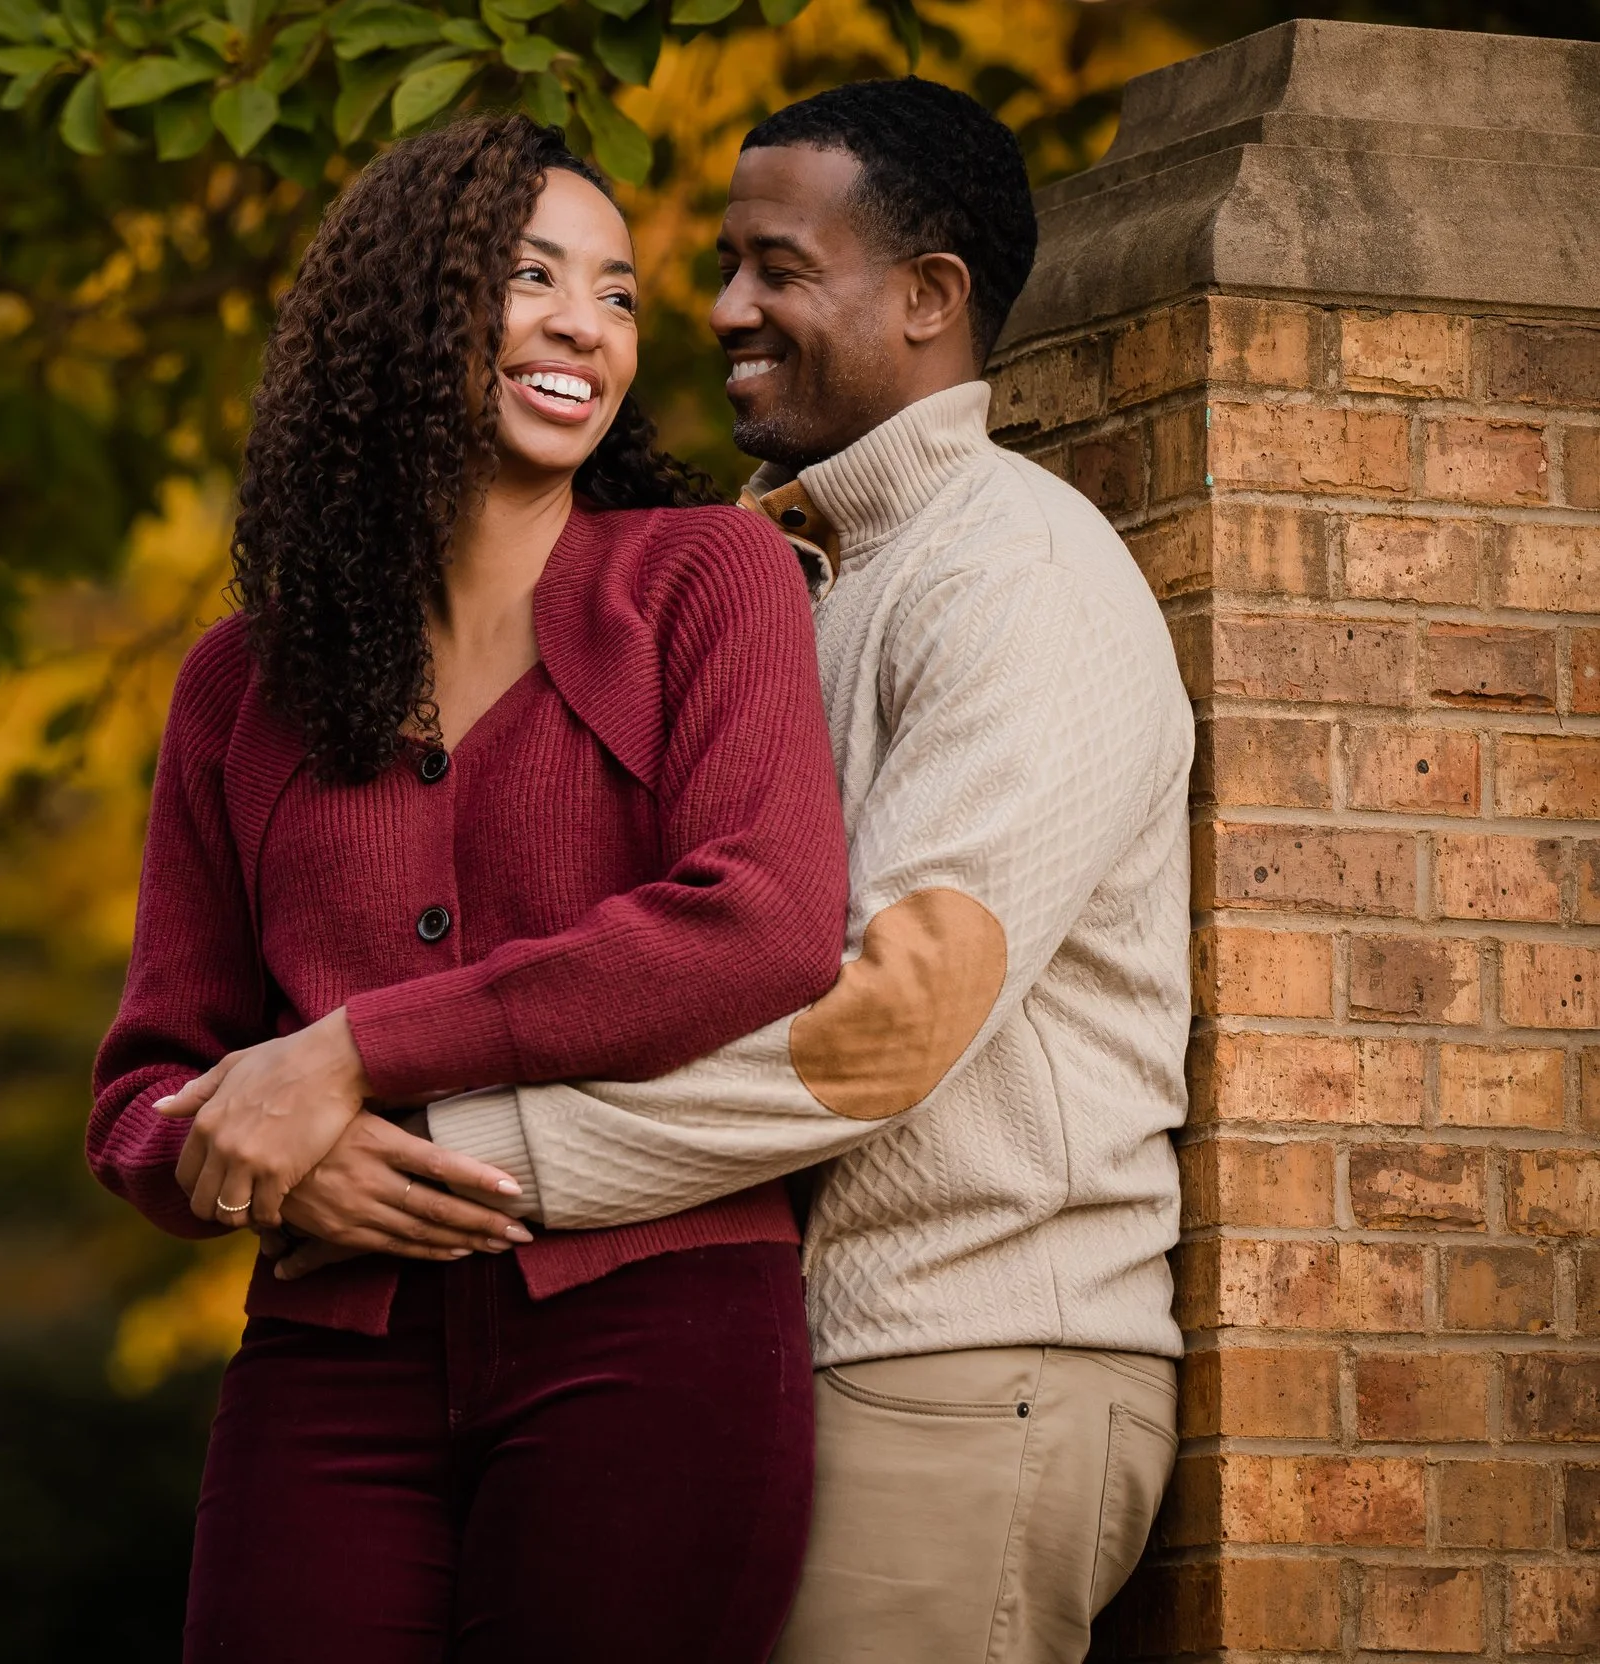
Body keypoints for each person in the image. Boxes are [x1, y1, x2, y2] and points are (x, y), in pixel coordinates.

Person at [415, 79, 1194, 1664]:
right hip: (768, 1364)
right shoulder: (776, 578)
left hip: (966, 1371)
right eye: (720, 266)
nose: (720, 310)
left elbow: (891, 1019)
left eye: (777, 267)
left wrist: (471, 1165)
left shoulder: (1016, 579)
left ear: (926, 298)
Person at [87, 115, 849, 1663]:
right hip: (328, 1363)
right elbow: (143, 1096)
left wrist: (356, 1050)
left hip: (658, 1330)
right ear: (405, 315)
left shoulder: (705, 580)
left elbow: (762, 917)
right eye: (531, 277)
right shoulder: (241, 686)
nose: (588, 323)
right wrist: (275, 1164)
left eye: (622, 293)